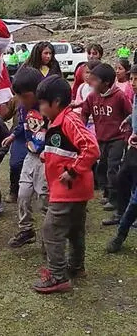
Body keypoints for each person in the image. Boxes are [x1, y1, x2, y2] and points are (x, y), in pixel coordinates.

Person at [32, 75, 100, 293]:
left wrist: (72, 170)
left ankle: (58, 276)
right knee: (75, 230)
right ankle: (77, 267)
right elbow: (65, 148)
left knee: (51, 230)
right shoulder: (57, 121)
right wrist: (47, 154)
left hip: (69, 189)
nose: (40, 107)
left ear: (57, 101)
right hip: (70, 189)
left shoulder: (69, 120)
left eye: (43, 102)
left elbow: (91, 148)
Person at [79, 63, 132, 225]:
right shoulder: (92, 97)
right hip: (100, 138)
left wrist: (127, 136)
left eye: (95, 80)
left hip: (117, 138)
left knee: (112, 168)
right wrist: (81, 131)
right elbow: (84, 113)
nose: (91, 82)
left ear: (106, 83)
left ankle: (116, 202)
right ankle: (108, 194)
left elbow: (130, 114)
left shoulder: (119, 96)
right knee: (102, 167)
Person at [2, 67, 49, 248]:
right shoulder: (22, 107)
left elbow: (55, 131)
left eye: (25, 96)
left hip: (45, 158)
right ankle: (26, 229)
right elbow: (23, 124)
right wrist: (14, 135)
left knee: (44, 198)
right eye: (19, 96)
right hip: (31, 155)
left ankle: (48, 237)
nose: (22, 100)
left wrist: (50, 150)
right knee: (22, 194)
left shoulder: (47, 108)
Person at [107, 64, 137, 252]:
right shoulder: (135, 96)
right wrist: (129, 122)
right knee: (124, 179)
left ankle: (120, 234)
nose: (133, 83)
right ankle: (121, 216)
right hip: (134, 149)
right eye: (132, 79)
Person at [72, 59, 102, 136]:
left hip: (95, 123)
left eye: (90, 73)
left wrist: (78, 104)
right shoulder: (82, 87)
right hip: (83, 121)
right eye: (86, 72)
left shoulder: (99, 89)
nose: (87, 75)